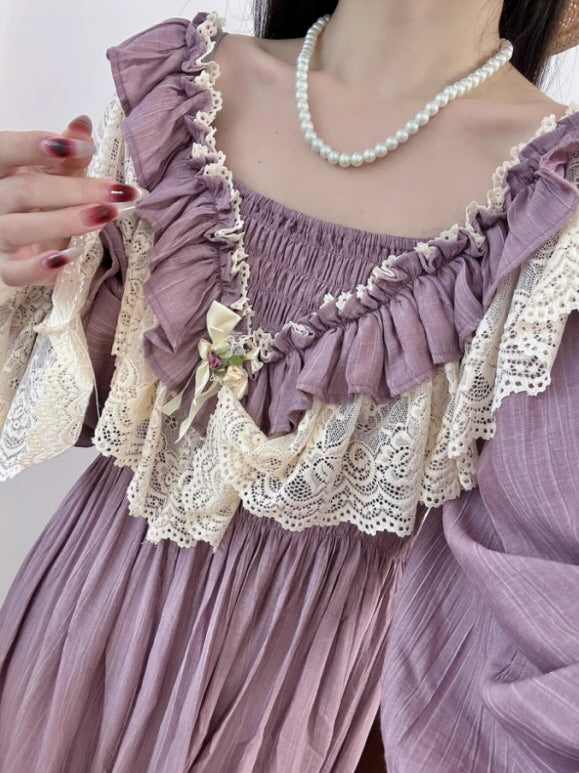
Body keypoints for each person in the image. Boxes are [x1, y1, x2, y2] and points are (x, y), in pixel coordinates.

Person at [0, 0, 578, 770]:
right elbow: (78, 400)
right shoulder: (181, 92)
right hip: (73, 637)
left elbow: (546, 600)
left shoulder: (549, 209)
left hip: (290, 714)